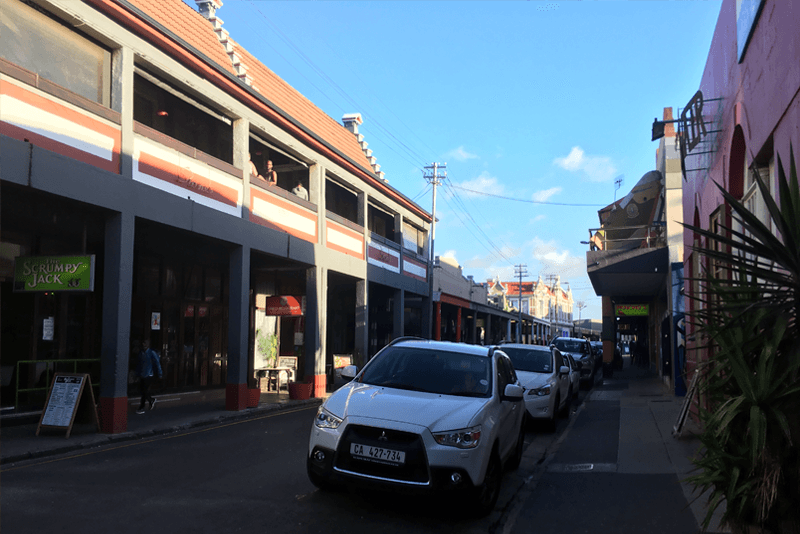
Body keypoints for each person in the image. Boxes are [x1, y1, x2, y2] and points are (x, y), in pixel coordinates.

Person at [136, 339, 162, 414]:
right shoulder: (141, 353)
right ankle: (151, 400)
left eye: (145, 343)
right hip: (142, 374)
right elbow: (139, 364)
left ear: (148, 344)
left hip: (149, 374)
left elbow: (157, 363)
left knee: (144, 391)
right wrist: (137, 373)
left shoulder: (151, 352)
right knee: (142, 391)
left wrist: (160, 373)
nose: (144, 345)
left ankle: (142, 407)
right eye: (143, 343)